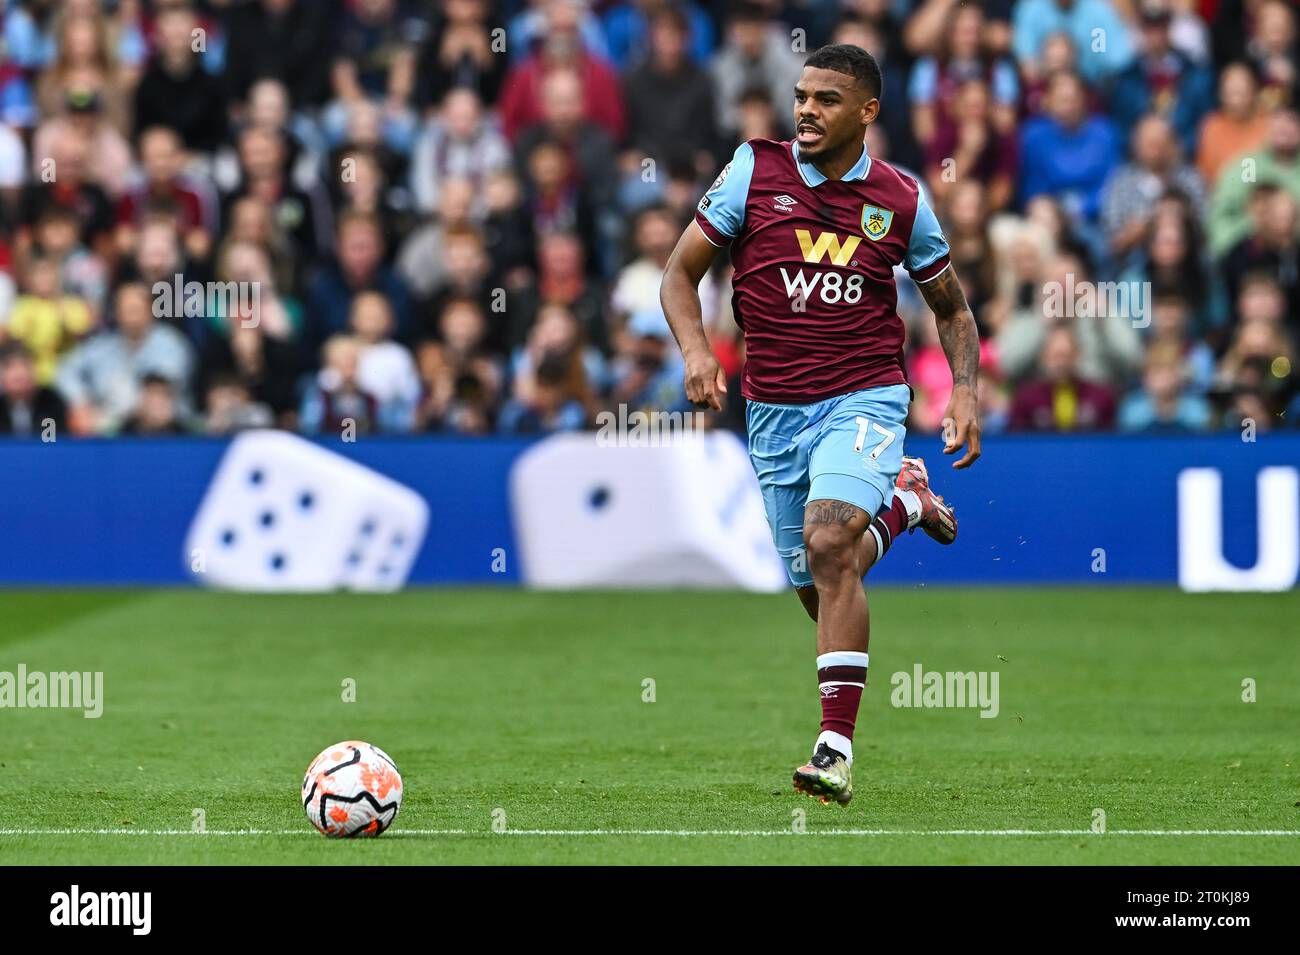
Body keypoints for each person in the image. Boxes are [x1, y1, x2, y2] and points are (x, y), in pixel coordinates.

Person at [659, 44, 981, 805]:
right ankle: (903, 501)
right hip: (771, 412)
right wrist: (697, 349)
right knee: (819, 581)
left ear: (867, 111)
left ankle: (834, 748)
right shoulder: (752, 170)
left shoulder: (901, 199)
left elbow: (953, 310)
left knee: (830, 539)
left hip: (864, 398)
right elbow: (678, 273)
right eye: (801, 95)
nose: (805, 109)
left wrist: (964, 390)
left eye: (826, 99)